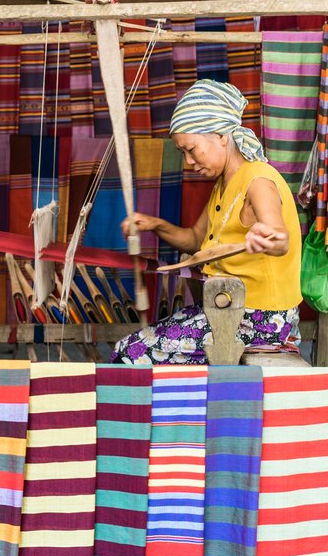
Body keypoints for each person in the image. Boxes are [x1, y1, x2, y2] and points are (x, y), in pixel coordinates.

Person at [111, 79, 303, 365]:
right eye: (182, 153)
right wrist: (155, 225)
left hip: (261, 320)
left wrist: (270, 236)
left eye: (192, 148)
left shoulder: (258, 180)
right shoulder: (223, 185)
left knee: (129, 353)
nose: (188, 161)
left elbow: (279, 237)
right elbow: (195, 239)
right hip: (231, 309)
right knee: (139, 340)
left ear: (221, 136)